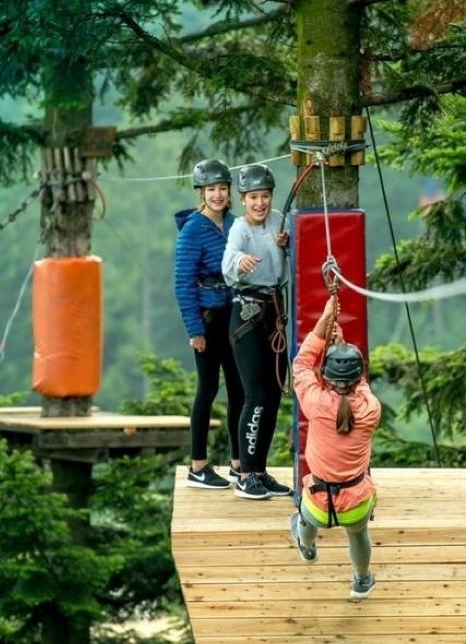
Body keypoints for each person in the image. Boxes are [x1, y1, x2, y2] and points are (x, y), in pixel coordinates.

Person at [289, 296, 382, 601]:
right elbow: (360, 388)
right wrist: (341, 349)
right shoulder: (371, 409)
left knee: (303, 518)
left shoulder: (316, 403)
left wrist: (324, 322)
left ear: (326, 377)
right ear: (358, 377)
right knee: (358, 533)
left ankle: (308, 548)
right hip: (355, 502)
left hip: (318, 502)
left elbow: (302, 364)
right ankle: (362, 580)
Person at [221, 163, 292, 500]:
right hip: (248, 313)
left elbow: (287, 249)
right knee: (256, 394)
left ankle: (259, 471)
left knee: (274, 393)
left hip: (273, 314)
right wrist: (241, 262)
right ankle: (245, 473)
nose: (259, 203)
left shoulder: (279, 220)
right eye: (253, 198)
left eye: (264, 196)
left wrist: (286, 242)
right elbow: (229, 259)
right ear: (243, 199)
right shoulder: (239, 228)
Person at [174, 158, 244, 489]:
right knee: (208, 389)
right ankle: (198, 465)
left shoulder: (234, 224)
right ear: (201, 193)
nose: (217, 195)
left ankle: (238, 462)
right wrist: (194, 331)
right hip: (208, 318)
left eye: (222, 188)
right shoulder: (193, 229)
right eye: (211, 189)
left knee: (238, 388)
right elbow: (183, 283)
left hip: (235, 317)